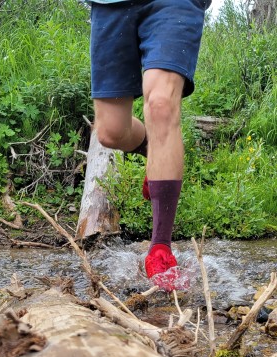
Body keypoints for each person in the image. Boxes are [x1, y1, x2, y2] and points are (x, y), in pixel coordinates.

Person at [88, 0, 211, 290]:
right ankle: (151, 149)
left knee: (160, 104)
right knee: (110, 132)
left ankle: (160, 248)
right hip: (111, 5)